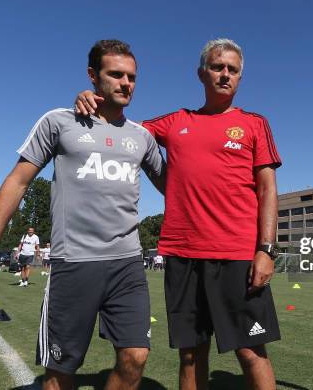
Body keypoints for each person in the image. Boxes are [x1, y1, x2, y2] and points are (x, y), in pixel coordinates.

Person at [75, 38, 281, 390]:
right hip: (183, 255)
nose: (225, 74)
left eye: (233, 69)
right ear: (202, 73)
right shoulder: (175, 122)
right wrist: (91, 98)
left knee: (250, 351)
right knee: (190, 353)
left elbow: (268, 190)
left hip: (237, 255)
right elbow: (122, 126)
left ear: (240, 77)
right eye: (218, 67)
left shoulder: (253, 124)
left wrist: (266, 249)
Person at [0, 39, 166, 390]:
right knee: (61, 373)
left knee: (135, 357)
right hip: (74, 262)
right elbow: (17, 181)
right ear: (93, 76)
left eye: (132, 77)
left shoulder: (143, 137)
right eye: (116, 74)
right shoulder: (59, 122)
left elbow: (175, 188)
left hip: (127, 264)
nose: (126, 83)